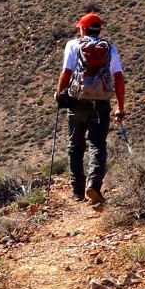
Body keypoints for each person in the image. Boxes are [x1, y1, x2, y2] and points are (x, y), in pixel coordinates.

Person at [54, 12, 126, 205]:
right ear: (99, 29)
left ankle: (77, 190)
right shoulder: (110, 49)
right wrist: (120, 107)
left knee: (75, 146)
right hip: (101, 104)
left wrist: (59, 93)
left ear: (83, 29)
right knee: (98, 145)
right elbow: (118, 78)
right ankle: (93, 185)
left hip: (76, 102)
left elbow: (66, 72)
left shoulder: (73, 45)